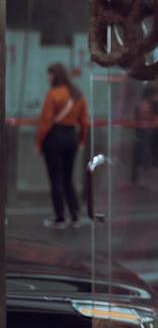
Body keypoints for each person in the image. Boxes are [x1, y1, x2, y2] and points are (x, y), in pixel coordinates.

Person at [36, 64, 89, 230]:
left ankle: (60, 217)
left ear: (56, 76)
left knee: (55, 178)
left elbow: (45, 122)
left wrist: (38, 143)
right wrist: (81, 140)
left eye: (50, 75)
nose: (48, 78)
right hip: (71, 137)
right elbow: (85, 122)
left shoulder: (53, 94)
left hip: (55, 137)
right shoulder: (77, 94)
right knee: (68, 177)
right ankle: (74, 214)